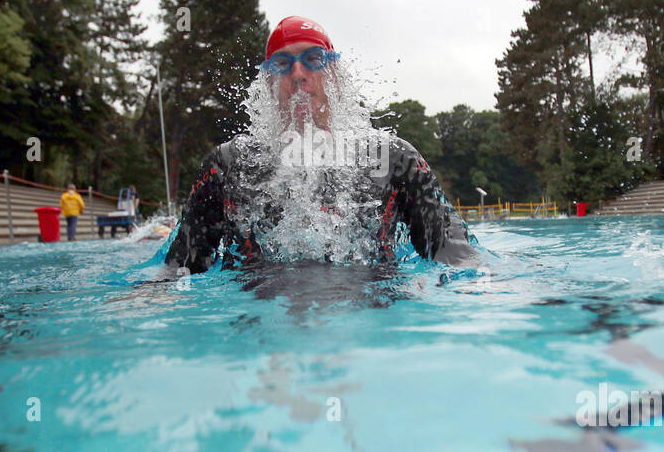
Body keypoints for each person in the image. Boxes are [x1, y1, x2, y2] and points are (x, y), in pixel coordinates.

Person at [165, 15, 480, 274]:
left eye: (313, 60)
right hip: (261, 328)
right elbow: (179, 269)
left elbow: (456, 256)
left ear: (336, 77)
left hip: (369, 323)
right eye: (282, 64)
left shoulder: (390, 158)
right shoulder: (230, 164)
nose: (298, 74)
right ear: (268, 84)